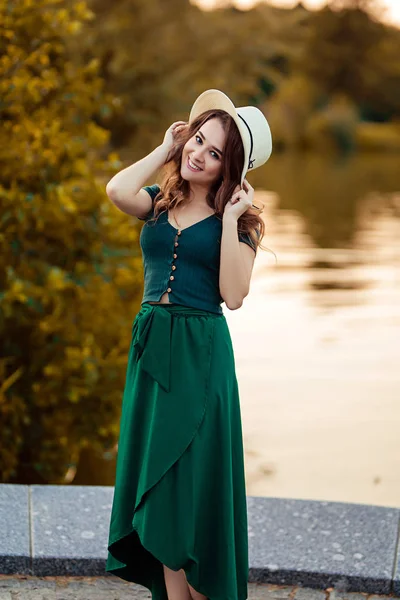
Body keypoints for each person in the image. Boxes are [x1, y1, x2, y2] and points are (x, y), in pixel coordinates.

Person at [105, 89, 272, 600]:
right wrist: (165, 149)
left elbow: (234, 295)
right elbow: (116, 189)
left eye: (214, 152)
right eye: (198, 140)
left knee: (193, 482)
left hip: (201, 358)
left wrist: (226, 218)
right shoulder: (159, 200)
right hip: (153, 354)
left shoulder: (240, 225)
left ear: (231, 170)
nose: (199, 153)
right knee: (160, 485)